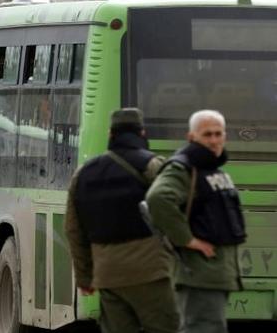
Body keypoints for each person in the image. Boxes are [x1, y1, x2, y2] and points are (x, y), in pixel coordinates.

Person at [65, 108, 179, 333]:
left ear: (110, 134)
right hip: (151, 272)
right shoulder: (154, 166)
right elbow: (179, 211)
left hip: (108, 275)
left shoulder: (83, 174)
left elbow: (73, 229)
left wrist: (85, 277)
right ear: (142, 133)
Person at [146, 110, 246, 333]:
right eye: (207, 134)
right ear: (192, 137)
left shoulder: (209, 169)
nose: (213, 140)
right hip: (199, 273)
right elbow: (158, 198)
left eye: (218, 134)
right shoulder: (183, 168)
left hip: (215, 273)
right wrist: (187, 239)